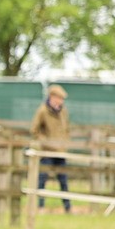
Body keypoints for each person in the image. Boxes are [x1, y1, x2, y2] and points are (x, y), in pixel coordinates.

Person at [31, 84, 72, 213]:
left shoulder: (63, 111)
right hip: (47, 152)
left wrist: (64, 143)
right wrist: (45, 142)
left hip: (60, 152)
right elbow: (34, 129)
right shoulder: (43, 110)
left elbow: (66, 129)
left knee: (63, 181)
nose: (61, 101)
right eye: (59, 98)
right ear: (52, 97)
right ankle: (40, 206)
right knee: (42, 179)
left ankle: (67, 208)